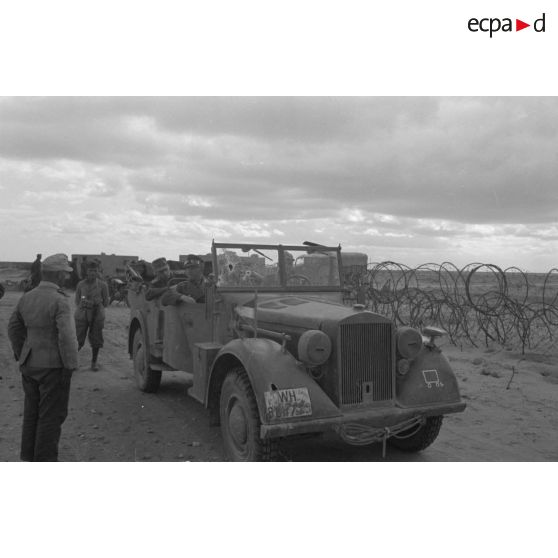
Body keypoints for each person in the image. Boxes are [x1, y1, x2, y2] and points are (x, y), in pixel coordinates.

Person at [7, 253, 78, 462]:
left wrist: (22, 353)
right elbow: (67, 337)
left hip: (29, 364)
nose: (66, 277)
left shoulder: (27, 297)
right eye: (65, 274)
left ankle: (28, 458)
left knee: (31, 414)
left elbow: (13, 328)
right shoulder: (60, 300)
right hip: (53, 367)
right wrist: (70, 366)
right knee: (50, 417)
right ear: (58, 275)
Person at [74, 261, 109, 371]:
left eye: (95, 270)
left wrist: (96, 305)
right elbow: (77, 300)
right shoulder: (80, 284)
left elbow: (106, 302)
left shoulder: (103, 285)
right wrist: (85, 304)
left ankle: (94, 363)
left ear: (98, 271)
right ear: (86, 271)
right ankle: (72, 362)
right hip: (82, 314)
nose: (93, 273)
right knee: (78, 339)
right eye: (90, 270)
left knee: (96, 340)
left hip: (97, 315)